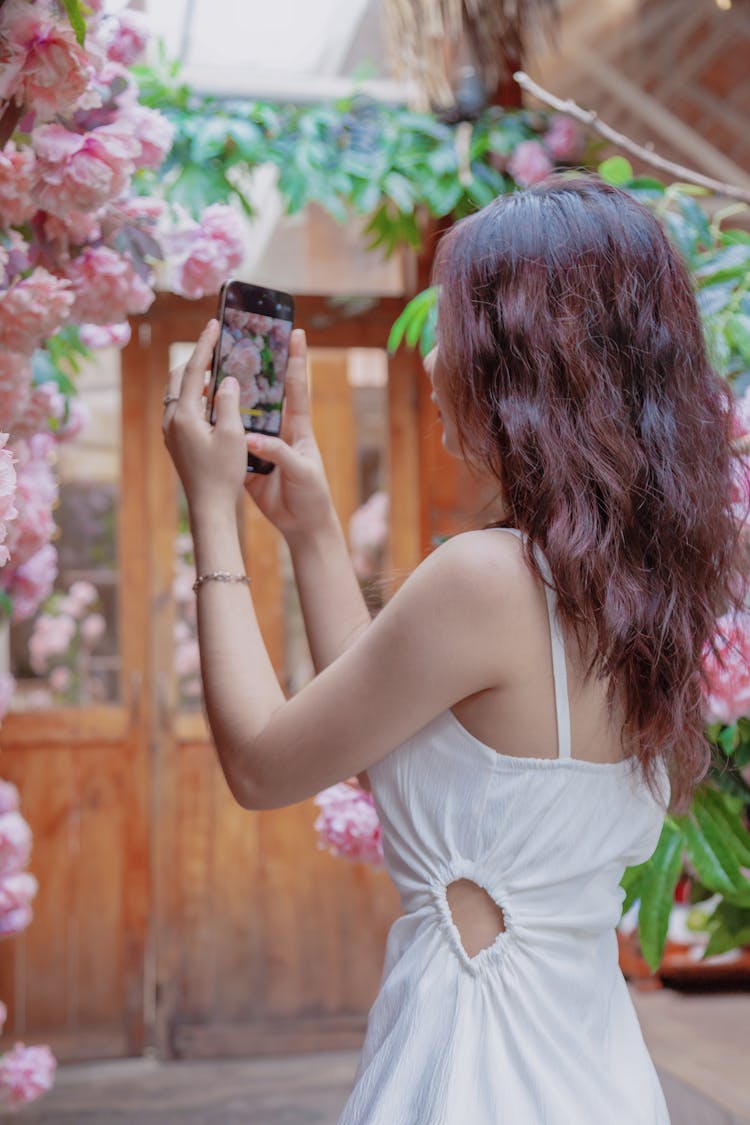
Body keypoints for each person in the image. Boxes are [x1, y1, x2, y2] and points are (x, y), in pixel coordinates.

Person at [163, 174, 745, 1124]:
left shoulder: (486, 578)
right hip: (594, 1070)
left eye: (460, 331)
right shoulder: (639, 591)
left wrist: (210, 510)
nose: (433, 357)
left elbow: (265, 764)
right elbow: (385, 753)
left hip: (478, 1072)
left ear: (525, 367)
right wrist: (312, 533)